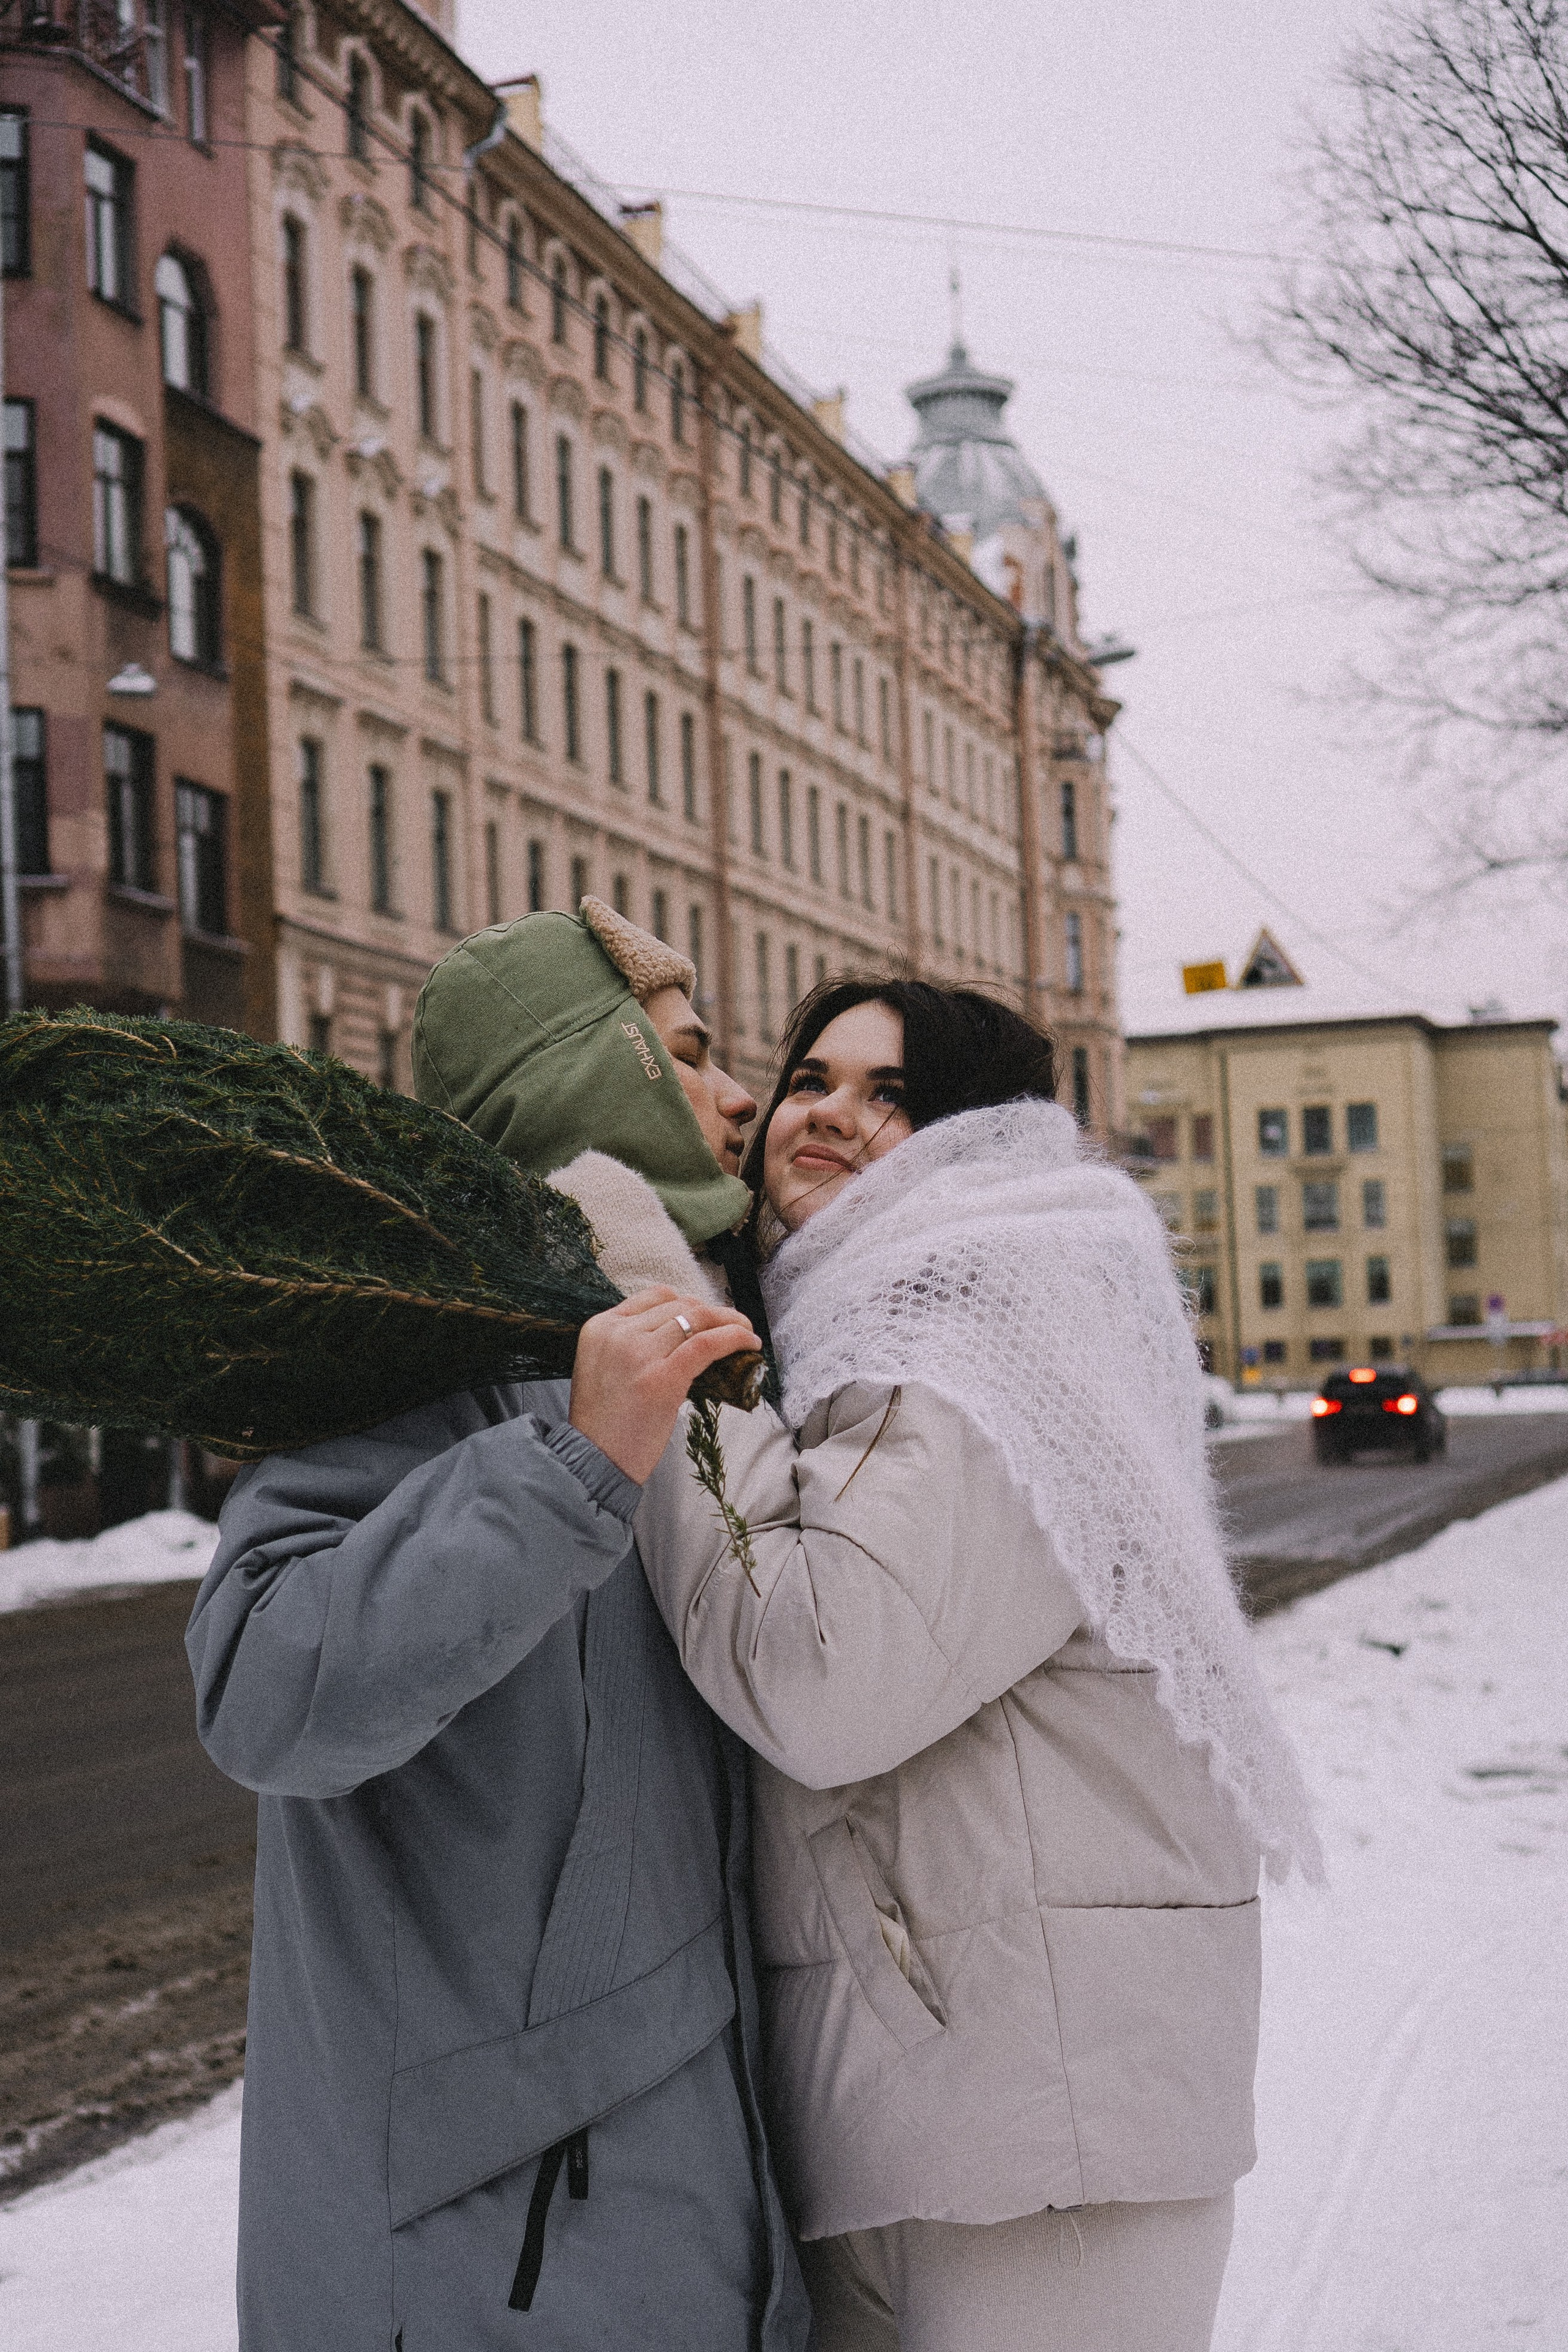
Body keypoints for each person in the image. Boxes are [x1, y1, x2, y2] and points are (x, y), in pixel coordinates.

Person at [628, 977, 1322, 2352]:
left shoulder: (985, 1316)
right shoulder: (872, 1316)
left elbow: (820, 1676)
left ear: (976, 1135)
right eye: (811, 1078)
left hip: (1038, 2122)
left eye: (889, 1095)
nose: (825, 1114)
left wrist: (661, 1336)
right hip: (962, 2090)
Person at [186, 900, 811, 2352]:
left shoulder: (697, 1347)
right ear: (583, 1079)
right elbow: (265, 1693)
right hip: (486, 2238)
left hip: (658, 2196)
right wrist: (568, 1469)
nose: (736, 1100)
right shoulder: (426, 1342)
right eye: (686, 1058)